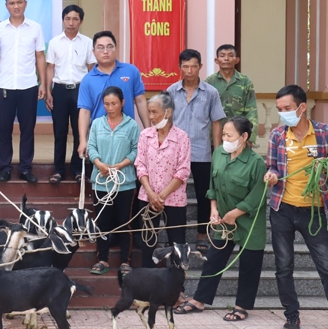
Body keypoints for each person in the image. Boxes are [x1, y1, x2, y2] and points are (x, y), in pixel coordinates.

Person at [264, 84, 328, 329]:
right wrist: (271, 175)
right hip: (282, 209)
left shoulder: (325, 133)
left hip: (314, 211)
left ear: (302, 107)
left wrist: (323, 169)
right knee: (283, 266)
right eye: (280, 110)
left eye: (288, 109)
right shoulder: (278, 135)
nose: (283, 114)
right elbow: (273, 166)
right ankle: (292, 316)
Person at [174, 117, 266, 321]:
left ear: (243, 137)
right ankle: (199, 300)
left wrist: (235, 213)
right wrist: (213, 209)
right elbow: (212, 186)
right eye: (223, 134)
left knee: (250, 264)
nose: (224, 138)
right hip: (223, 219)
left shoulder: (256, 162)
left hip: (248, 221)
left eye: (229, 135)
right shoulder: (219, 154)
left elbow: (257, 195)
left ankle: (241, 306)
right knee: (213, 260)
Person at [168, 49, 226, 254]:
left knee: (204, 194)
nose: (190, 70)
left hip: (202, 151)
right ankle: (176, 235)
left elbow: (217, 122)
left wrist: (218, 151)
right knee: (174, 194)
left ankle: (202, 234)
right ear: (179, 68)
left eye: (194, 66)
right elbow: (165, 121)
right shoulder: (171, 91)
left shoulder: (210, 92)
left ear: (200, 66)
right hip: (175, 153)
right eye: (185, 66)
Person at [0, 0, 46, 183]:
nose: (16, 6)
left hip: (29, 85)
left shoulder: (35, 28)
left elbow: (40, 56)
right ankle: (5, 168)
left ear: (26, 3)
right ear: (6, 5)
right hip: (4, 86)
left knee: (27, 129)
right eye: (12, 3)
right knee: (4, 129)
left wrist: (43, 84)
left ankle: (25, 168)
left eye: (19, 2)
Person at [133, 92, 191, 268]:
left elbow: (183, 170)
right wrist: (151, 194)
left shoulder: (182, 137)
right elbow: (140, 165)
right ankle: (148, 287)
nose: (150, 117)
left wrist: (162, 195)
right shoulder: (145, 136)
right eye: (149, 112)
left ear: (168, 112)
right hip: (147, 197)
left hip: (174, 199)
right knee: (148, 242)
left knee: (177, 244)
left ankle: (177, 288)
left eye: (154, 112)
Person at [86, 87, 139, 276]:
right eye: (107, 104)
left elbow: (135, 150)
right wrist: (99, 164)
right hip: (100, 183)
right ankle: (102, 259)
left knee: (124, 222)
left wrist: (119, 166)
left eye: (114, 103)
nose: (110, 107)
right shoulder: (97, 124)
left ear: (122, 103)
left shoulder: (132, 125)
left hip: (125, 183)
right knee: (102, 222)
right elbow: (91, 147)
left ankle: (125, 261)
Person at [77, 31, 150, 159]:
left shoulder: (131, 71)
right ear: (93, 52)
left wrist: (149, 131)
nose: (105, 51)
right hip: (100, 135)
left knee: (127, 172)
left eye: (109, 47)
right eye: (100, 47)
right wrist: (83, 140)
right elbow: (84, 111)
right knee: (102, 172)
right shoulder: (88, 79)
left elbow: (140, 101)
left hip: (127, 133)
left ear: (116, 49)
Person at [45, 5, 96, 184]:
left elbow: (91, 69)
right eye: (68, 18)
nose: (71, 22)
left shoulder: (88, 43)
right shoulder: (54, 42)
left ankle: (77, 169)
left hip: (80, 90)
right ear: (63, 20)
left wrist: (91, 92)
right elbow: (50, 67)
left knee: (79, 132)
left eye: (75, 19)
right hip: (58, 90)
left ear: (81, 21)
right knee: (59, 132)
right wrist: (48, 91)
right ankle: (58, 170)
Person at [205, 44, 259, 145]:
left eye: (230, 55)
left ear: (237, 60)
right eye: (222, 56)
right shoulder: (209, 82)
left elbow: (252, 111)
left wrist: (250, 138)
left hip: (238, 137)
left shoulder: (245, 82)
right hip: (214, 139)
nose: (226, 58)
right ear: (216, 60)